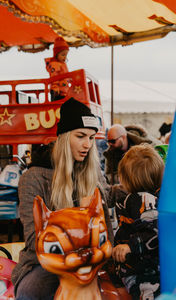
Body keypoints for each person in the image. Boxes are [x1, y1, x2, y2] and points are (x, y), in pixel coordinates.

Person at [11, 97, 117, 300]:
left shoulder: (93, 175)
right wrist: (80, 221)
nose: (87, 145)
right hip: (47, 263)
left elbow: (108, 235)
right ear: (64, 136)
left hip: (93, 260)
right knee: (32, 292)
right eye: (80, 136)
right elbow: (35, 240)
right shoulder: (33, 178)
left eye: (92, 137)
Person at [112, 144, 165, 299]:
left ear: (126, 178)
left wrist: (130, 246)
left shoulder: (140, 200)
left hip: (145, 272)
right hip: (139, 267)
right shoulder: (156, 197)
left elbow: (155, 231)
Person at [45, 36, 70, 101]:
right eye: (63, 55)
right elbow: (54, 77)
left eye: (66, 55)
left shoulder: (63, 64)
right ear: (56, 54)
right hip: (58, 92)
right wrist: (55, 89)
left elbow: (66, 76)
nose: (65, 57)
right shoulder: (55, 64)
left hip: (64, 91)